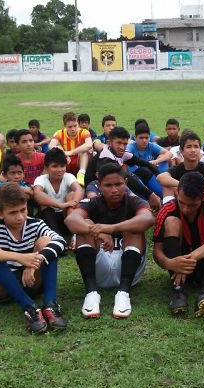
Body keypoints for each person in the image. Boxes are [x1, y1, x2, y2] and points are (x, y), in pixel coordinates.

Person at [65, 163, 155, 319]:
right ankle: (91, 293)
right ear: (99, 186)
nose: (114, 190)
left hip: (129, 267)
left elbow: (148, 219)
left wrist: (109, 228)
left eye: (118, 184)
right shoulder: (93, 202)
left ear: (125, 183)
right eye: (108, 185)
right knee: (85, 226)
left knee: (134, 227)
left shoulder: (135, 201)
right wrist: (96, 232)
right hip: (101, 264)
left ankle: (123, 293)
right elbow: (71, 220)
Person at [0, 183, 67, 334]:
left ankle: (50, 304)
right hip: (2, 287)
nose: (19, 217)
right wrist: (20, 258)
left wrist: (32, 263)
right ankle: (29, 308)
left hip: (31, 280)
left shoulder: (36, 223)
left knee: (45, 241)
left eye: (23, 210)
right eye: (12, 213)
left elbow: (60, 242)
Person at [152, 172, 204, 318]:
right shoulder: (167, 209)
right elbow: (157, 251)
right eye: (182, 202)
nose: (185, 209)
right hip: (178, 267)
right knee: (172, 222)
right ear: (177, 193)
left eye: (192, 205)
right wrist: (169, 263)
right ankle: (178, 290)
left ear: (203, 197)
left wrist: (192, 257)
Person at [84, 126, 162, 209]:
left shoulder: (121, 153)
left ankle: (163, 197)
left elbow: (144, 163)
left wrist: (160, 175)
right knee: (128, 179)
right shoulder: (105, 158)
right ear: (109, 143)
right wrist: (150, 195)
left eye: (125, 144)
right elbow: (125, 176)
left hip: (117, 185)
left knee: (144, 171)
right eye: (119, 143)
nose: (122, 147)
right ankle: (145, 205)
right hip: (99, 189)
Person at [33, 148, 84, 241]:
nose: (59, 170)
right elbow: (37, 195)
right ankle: (57, 237)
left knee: (71, 196)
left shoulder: (68, 177)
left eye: (62, 166)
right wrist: (61, 205)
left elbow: (79, 190)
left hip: (65, 217)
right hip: (48, 218)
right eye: (55, 166)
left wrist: (73, 202)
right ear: (46, 168)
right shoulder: (41, 179)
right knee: (45, 205)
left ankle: (75, 237)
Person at [157, 131, 204, 200]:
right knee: (167, 186)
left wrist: (201, 188)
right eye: (189, 147)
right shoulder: (178, 169)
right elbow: (160, 177)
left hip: (203, 201)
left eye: (196, 147)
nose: (193, 150)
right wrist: (185, 185)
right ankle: (168, 210)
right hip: (182, 204)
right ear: (181, 151)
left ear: (199, 150)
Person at [49, 112, 93, 186]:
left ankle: (81, 174)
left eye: (75, 126)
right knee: (55, 150)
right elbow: (51, 145)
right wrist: (63, 154)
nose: (73, 129)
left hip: (81, 161)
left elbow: (89, 145)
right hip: (67, 161)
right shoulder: (59, 133)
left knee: (84, 151)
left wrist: (71, 152)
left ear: (77, 124)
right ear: (65, 126)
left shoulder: (84, 132)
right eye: (70, 127)